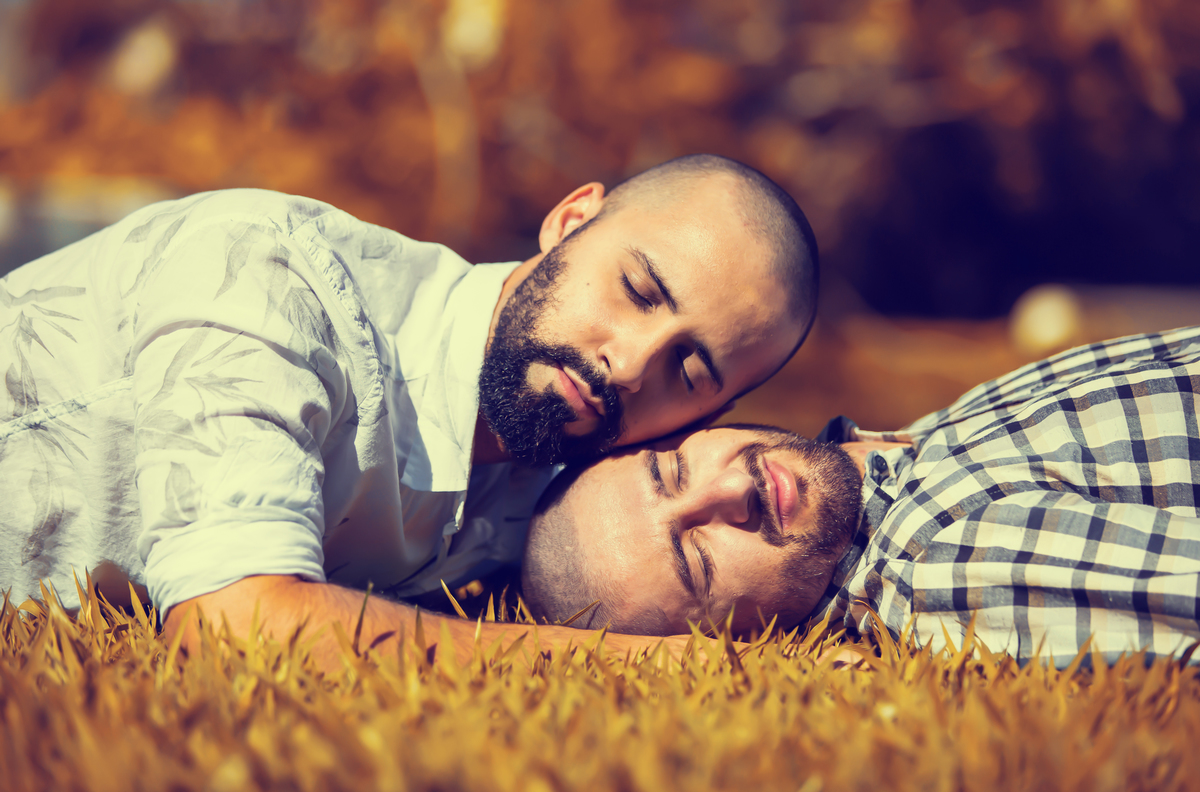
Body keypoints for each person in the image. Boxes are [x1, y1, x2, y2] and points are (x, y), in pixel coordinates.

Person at [0, 154, 819, 666]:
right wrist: (651, 664)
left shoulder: (553, 491)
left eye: (691, 369)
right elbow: (235, 630)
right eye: (638, 290)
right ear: (570, 221)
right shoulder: (272, 275)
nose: (631, 365)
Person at [523, 327, 1200, 666]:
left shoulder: (916, 444)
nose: (732, 491)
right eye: (699, 560)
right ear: (743, 639)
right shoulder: (940, 566)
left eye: (671, 472)